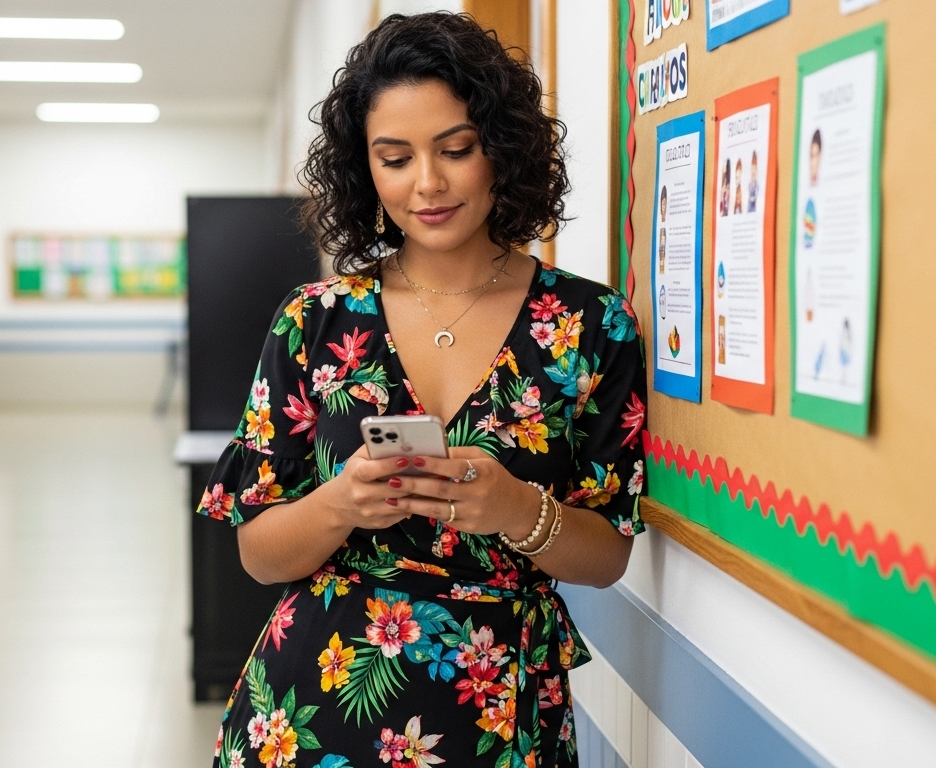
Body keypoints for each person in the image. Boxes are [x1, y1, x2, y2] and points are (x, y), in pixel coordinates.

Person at [196, 13, 648, 768]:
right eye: (395, 158)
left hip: (500, 710)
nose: (428, 184)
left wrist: (515, 509)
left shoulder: (590, 323)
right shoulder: (314, 321)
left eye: (456, 150)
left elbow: (607, 556)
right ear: (363, 169)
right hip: (314, 708)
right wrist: (343, 503)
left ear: (501, 150)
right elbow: (259, 555)